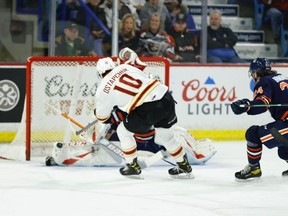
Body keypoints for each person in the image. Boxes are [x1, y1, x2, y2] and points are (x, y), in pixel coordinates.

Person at [94, 47, 193, 179]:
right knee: (166, 136)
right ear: (113, 65)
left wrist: (99, 112)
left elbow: (102, 118)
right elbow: (137, 60)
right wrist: (127, 53)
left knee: (123, 131)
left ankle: (132, 166)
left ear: (100, 74)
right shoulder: (125, 67)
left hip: (147, 107)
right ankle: (184, 166)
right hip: (165, 97)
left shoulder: (102, 90)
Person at [230, 57, 288, 180]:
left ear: (255, 72)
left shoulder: (264, 81)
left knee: (253, 133)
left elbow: (263, 104)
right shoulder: (282, 77)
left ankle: (253, 168)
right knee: (283, 150)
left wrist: (247, 106)